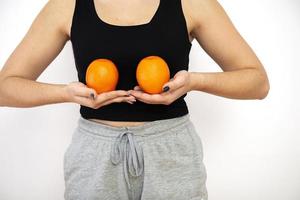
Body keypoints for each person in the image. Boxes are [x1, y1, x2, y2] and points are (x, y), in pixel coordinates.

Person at [0, 0, 270, 199]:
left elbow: (257, 83)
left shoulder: (193, 4)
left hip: (172, 152)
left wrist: (194, 81)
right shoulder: (66, 6)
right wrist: (66, 93)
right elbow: (5, 88)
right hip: (94, 155)